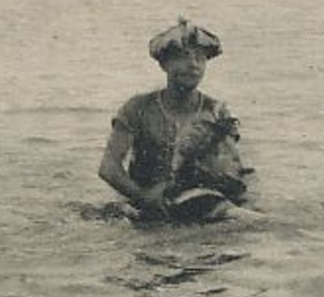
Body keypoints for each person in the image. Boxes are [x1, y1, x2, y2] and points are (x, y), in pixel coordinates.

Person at [99, 18, 253, 222]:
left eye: (200, 58)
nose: (193, 65)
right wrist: (143, 198)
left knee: (248, 222)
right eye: (183, 57)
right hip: (143, 202)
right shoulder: (138, 108)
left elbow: (234, 171)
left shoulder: (216, 111)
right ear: (164, 64)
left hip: (199, 200)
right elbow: (109, 168)